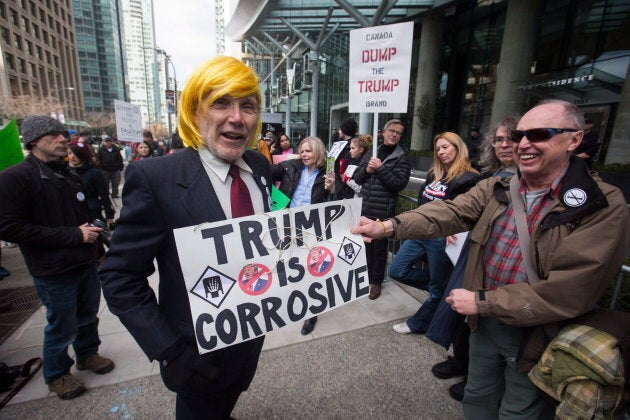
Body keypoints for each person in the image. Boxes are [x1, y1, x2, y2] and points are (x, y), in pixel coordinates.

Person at [352, 100, 629, 419]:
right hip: (483, 322)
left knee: (518, 408)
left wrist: (482, 302)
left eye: (539, 134)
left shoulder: (602, 204)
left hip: (538, 331)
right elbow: (451, 210)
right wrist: (388, 226)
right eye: (518, 134)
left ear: (574, 139)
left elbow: (570, 290)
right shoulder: (500, 186)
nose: (523, 143)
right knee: (478, 396)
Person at [99, 56, 272, 419]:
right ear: (195, 113)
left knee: (226, 403)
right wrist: (170, 349)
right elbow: (119, 276)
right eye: (221, 102)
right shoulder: (155, 178)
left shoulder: (259, 167)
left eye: (248, 106)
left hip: (251, 335)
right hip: (194, 352)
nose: (236, 117)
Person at [0, 115, 114, 400]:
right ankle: (57, 373)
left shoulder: (67, 175)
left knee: (88, 316)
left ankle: (88, 354)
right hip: (53, 269)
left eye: (64, 134)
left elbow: (82, 217)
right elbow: (10, 227)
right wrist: (74, 235)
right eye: (54, 135)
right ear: (34, 141)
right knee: (62, 324)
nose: (64, 139)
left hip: (85, 262)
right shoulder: (15, 178)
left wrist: (95, 239)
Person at [428, 117, 518, 402]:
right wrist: (389, 226)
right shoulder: (492, 177)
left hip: (505, 266)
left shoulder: (538, 182)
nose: (505, 144)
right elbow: (457, 211)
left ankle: (475, 378)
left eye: (512, 138)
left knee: (486, 320)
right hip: (475, 252)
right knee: (463, 312)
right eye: (500, 139)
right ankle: (460, 361)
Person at [389, 132, 479, 335]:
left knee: (438, 289)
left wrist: (456, 229)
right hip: (421, 233)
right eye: (438, 148)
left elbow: (469, 209)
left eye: (446, 147)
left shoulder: (469, 177)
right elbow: (423, 199)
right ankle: (440, 288)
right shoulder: (434, 173)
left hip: (443, 237)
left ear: (458, 147)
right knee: (396, 270)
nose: (441, 152)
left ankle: (418, 323)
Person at [271, 136, 330, 335]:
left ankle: (311, 312)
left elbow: (339, 202)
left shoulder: (328, 174)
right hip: (288, 224)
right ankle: (293, 299)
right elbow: (265, 172)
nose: (304, 154)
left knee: (311, 269)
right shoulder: (290, 166)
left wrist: (333, 189)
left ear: (318, 152)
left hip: (312, 228)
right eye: (302, 151)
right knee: (289, 265)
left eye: (308, 151)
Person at [352, 119, 411, 300]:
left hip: (383, 212)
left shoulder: (401, 158)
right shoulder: (372, 151)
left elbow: (398, 184)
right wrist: (368, 171)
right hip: (366, 207)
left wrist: (381, 168)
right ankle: (365, 278)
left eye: (398, 133)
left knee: (379, 249)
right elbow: (357, 177)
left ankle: (376, 282)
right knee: (365, 246)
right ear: (383, 132)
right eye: (391, 131)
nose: (394, 134)